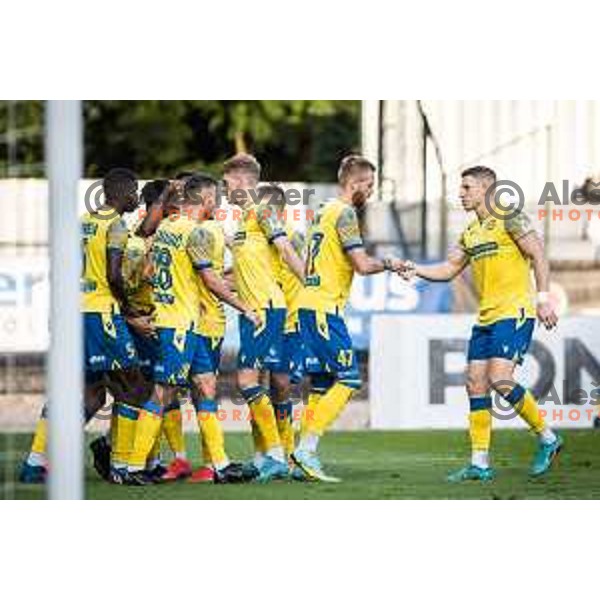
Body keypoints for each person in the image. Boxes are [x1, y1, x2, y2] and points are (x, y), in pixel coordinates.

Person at [400, 165, 562, 481]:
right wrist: (414, 269)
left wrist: (543, 300)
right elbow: (449, 268)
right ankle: (480, 463)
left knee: (500, 379)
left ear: (487, 189)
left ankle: (548, 438)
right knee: (475, 382)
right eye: (460, 188)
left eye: (467, 188)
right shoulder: (470, 232)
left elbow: (538, 253)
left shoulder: (509, 215)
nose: (460, 194)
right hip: (486, 317)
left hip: (513, 312)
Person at [122, 173, 259, 483]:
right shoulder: (193, 233)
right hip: (179, 325)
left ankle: (220, 465)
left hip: (185, 323)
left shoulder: (167, 227)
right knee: (162, 392)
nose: (218, 205)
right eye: (217, 200)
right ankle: (132, 467)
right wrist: (245, 307)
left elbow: (149, 270)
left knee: (207, 385)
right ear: (207, 200)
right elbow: (210, 280)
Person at [292, 155, 404, 482]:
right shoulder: (345, 214)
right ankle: (306, 449)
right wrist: (391, 263)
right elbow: (362, 265)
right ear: (354, 183)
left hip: (309, 305)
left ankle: (303, 455)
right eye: (369, 185)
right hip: (323, 308)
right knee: (350, 378)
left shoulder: (324, 209)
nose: (370, 192)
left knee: (322, 384)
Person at [223, 154, 305, 482]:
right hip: (250, 311)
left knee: (247, 381)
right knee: (256, 384)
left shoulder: (263, 210)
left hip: (266, 309)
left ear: (243, 181)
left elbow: (285, 248)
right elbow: (240, 271)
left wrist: (308, 280)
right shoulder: (243, 221)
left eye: (227, 183)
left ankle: (275, 454)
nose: (224, 189)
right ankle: (263, 457)